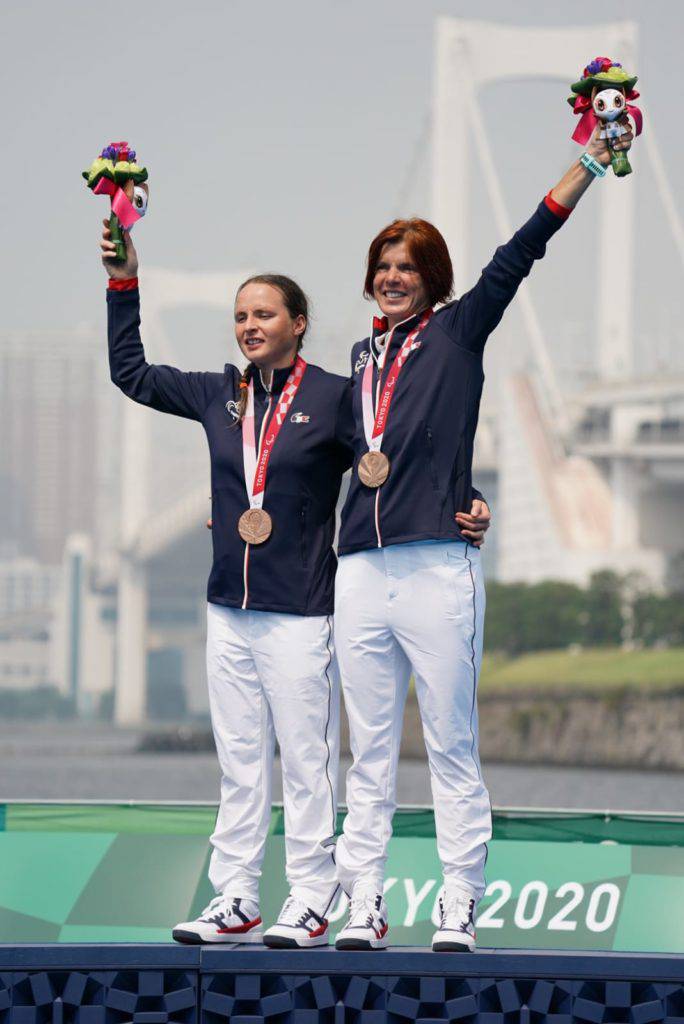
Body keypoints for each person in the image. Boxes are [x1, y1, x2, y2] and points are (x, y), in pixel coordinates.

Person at [333, 117, 634, 952]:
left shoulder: (459, 330)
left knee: (452, 747)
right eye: (384, 268)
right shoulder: (358, 362)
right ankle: (365, 905)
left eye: (409, 268)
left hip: (437, 566)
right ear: (370, 282)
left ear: (434, 280)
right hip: (359, 570)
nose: (394, 278)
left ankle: (458, 903)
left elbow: (524, 245)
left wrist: (589, 163)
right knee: (367, 757)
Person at [102, 223, 353, 948]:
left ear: (299, 325)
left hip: (301, 609)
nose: (250, 325)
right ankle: (236, 896)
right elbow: (133, 374)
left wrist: (464, 502)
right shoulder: (220, 395)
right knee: (241, 761)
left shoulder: (336, 398)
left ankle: (311, 895)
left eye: (265, 314)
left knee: (307, 761)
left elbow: (389, 462)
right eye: (241, 315)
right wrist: (125, 282)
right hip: (229, 607)